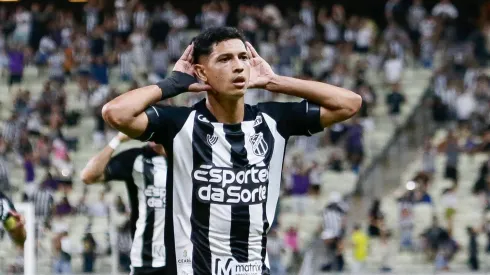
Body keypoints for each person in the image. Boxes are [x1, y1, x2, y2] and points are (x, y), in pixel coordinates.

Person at [102, 26, 361, 274]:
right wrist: (171, 84)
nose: (238, 66)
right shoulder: (180, 125)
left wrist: (275, 81)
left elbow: (349, 104)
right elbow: (115, 113)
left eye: (243, 57)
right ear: (202, 73)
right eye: (224, 59)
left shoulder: (274, 120)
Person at [81, 132, 169, 275]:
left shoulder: (187, 156)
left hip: (184, 258)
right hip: (146, 259)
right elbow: (88, 175)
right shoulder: (137, 158)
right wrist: (117, 140)